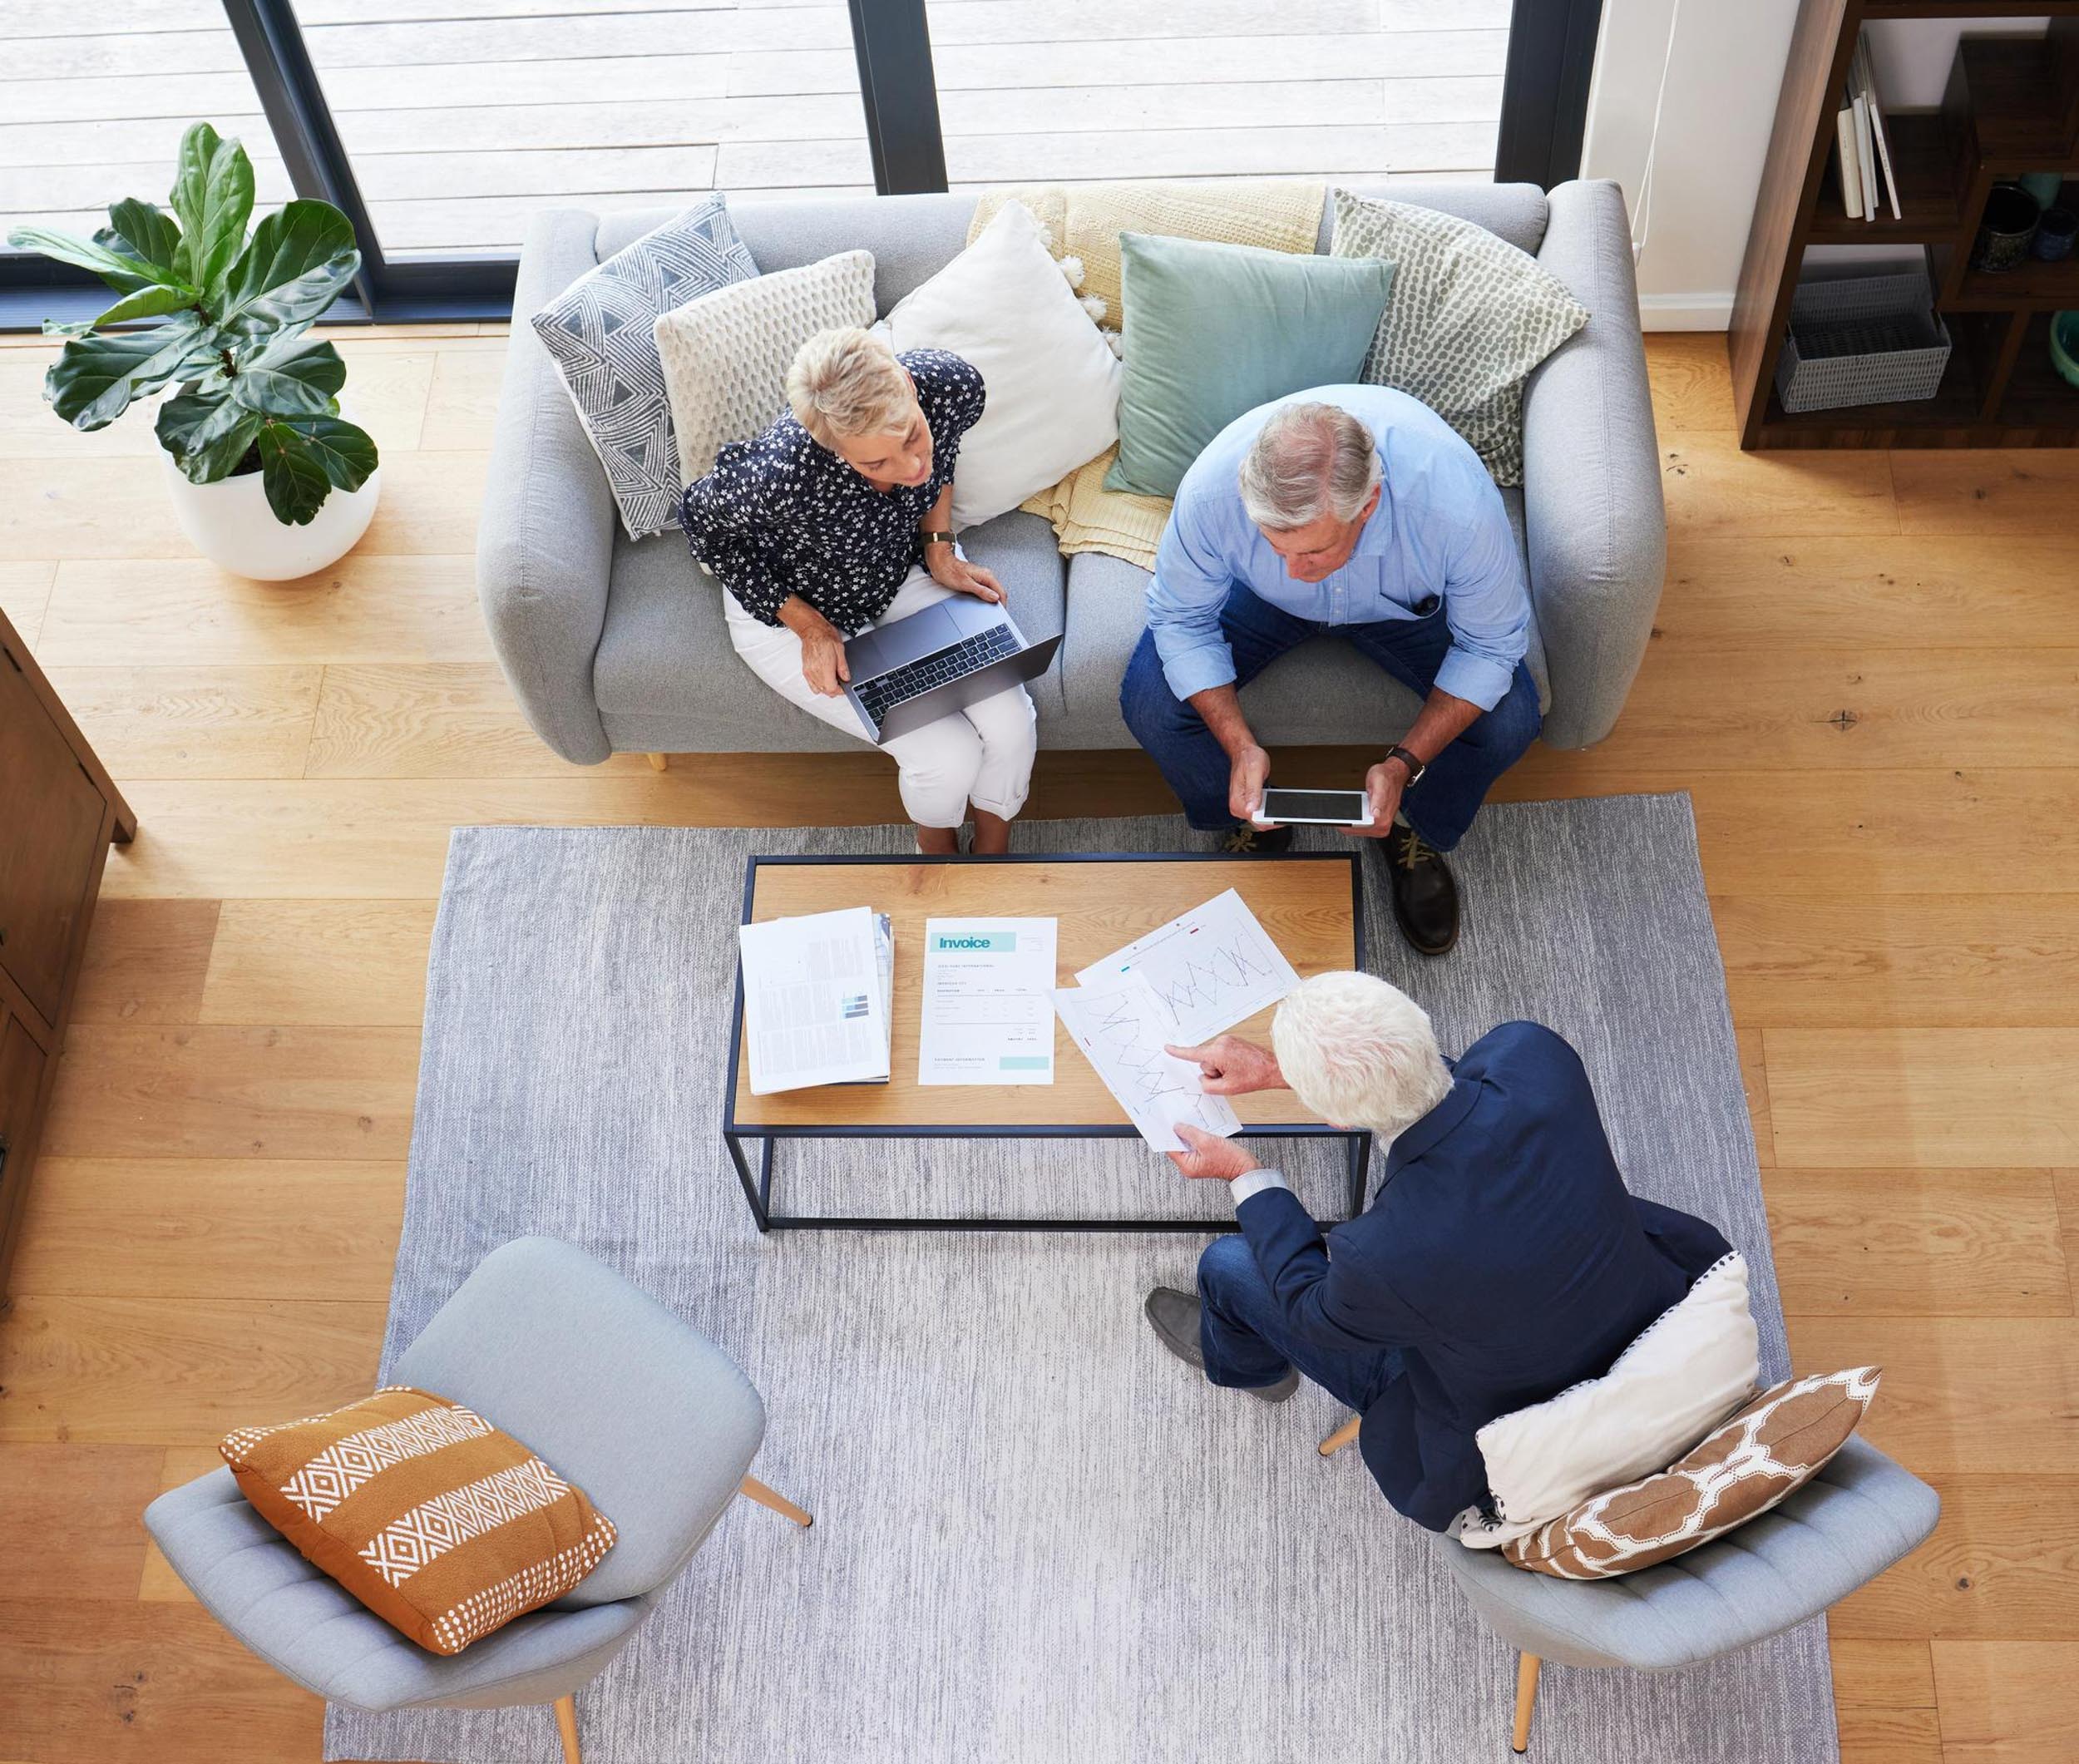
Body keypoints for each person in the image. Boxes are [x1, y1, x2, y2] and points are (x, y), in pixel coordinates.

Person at [1140, 971, 1733, 1534]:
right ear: (1420, 1024)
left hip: (1514, 1431)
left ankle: (1252, 1368)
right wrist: (1277, 1070)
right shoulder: (1534, 1056)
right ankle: (1248, 1359)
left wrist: (1244, 1174)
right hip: (1642, 1312)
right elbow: (1459, 1082)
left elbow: (1307, 1305)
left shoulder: (1382, 1254)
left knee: (1226, 1266)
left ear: (1335, 1119)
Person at [1119, 391, 1543, 956]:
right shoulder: (1214, 490)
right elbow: (1180, 618)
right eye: (1275, 547)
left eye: (1313, 552)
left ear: (1367, 506)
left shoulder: (1455, 507)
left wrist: (1404, 764)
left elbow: (1490, 647)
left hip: (1400, 609)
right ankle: (1244, 816)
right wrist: (1240, 746)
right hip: (1261, 604)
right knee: (1149, 698)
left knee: (1511, 717)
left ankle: (1413, 824)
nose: (1296, 572)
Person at [679, 328, 1035, 856]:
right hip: (794, 608)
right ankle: (937, 852)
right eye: (876, 464)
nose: (912, 468)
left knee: (1012, 723)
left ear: (911, 387)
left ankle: (993, 852)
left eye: (913, 437)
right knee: (947, 753)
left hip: (898, 568)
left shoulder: (950, 386)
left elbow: (944, 458)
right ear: (833, 449)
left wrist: (939, 547)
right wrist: (810, 628)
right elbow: (703, 526)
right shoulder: (784, 473)